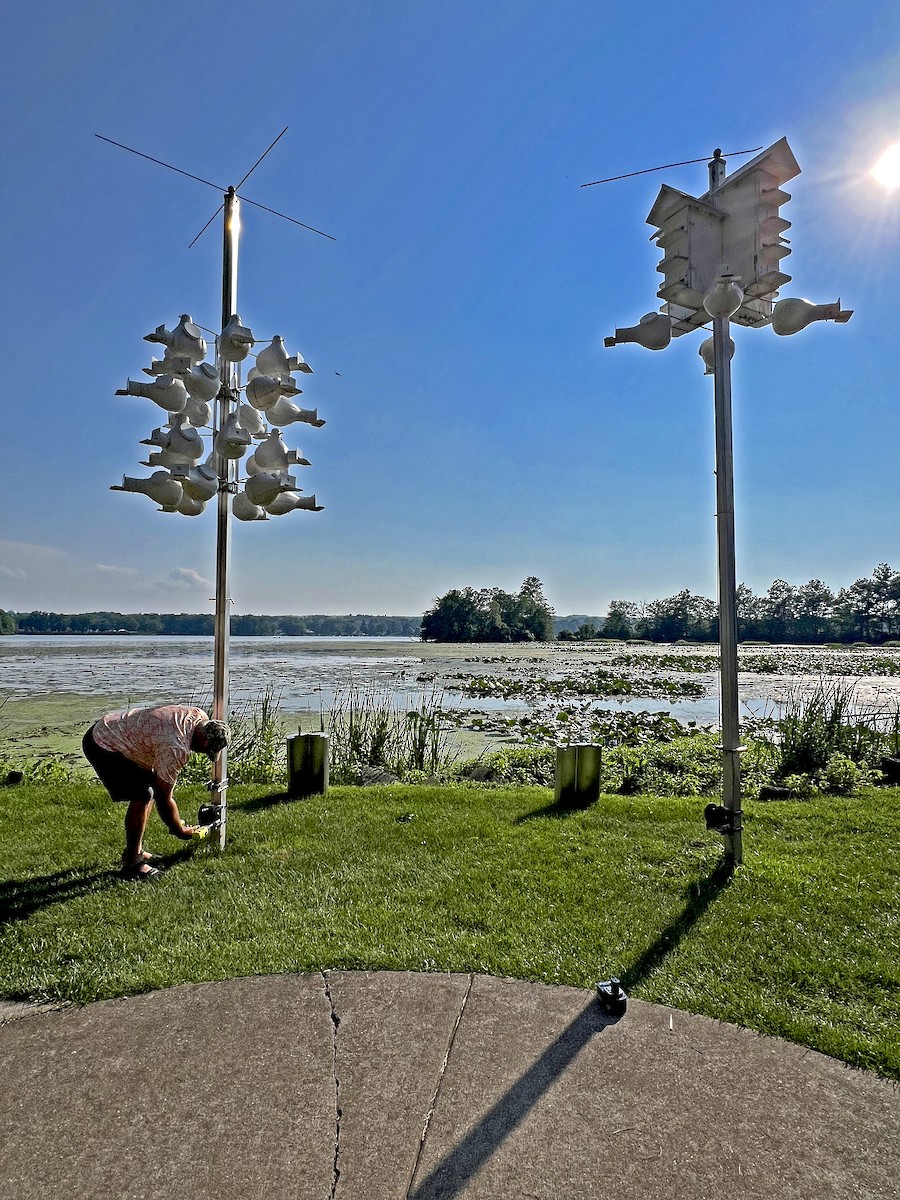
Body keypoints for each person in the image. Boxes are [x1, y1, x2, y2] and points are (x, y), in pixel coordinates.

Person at [82, 705, 230, 880]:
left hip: (111, 726)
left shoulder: (197, 714)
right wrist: (180, 830)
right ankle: (132, 864)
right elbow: (164, 797)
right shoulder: (176, 747)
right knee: (143, 794)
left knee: (148, 789)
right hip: (104, 744)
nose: (202, 753)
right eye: (206, 751)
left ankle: (135, 851)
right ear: (204, 742)